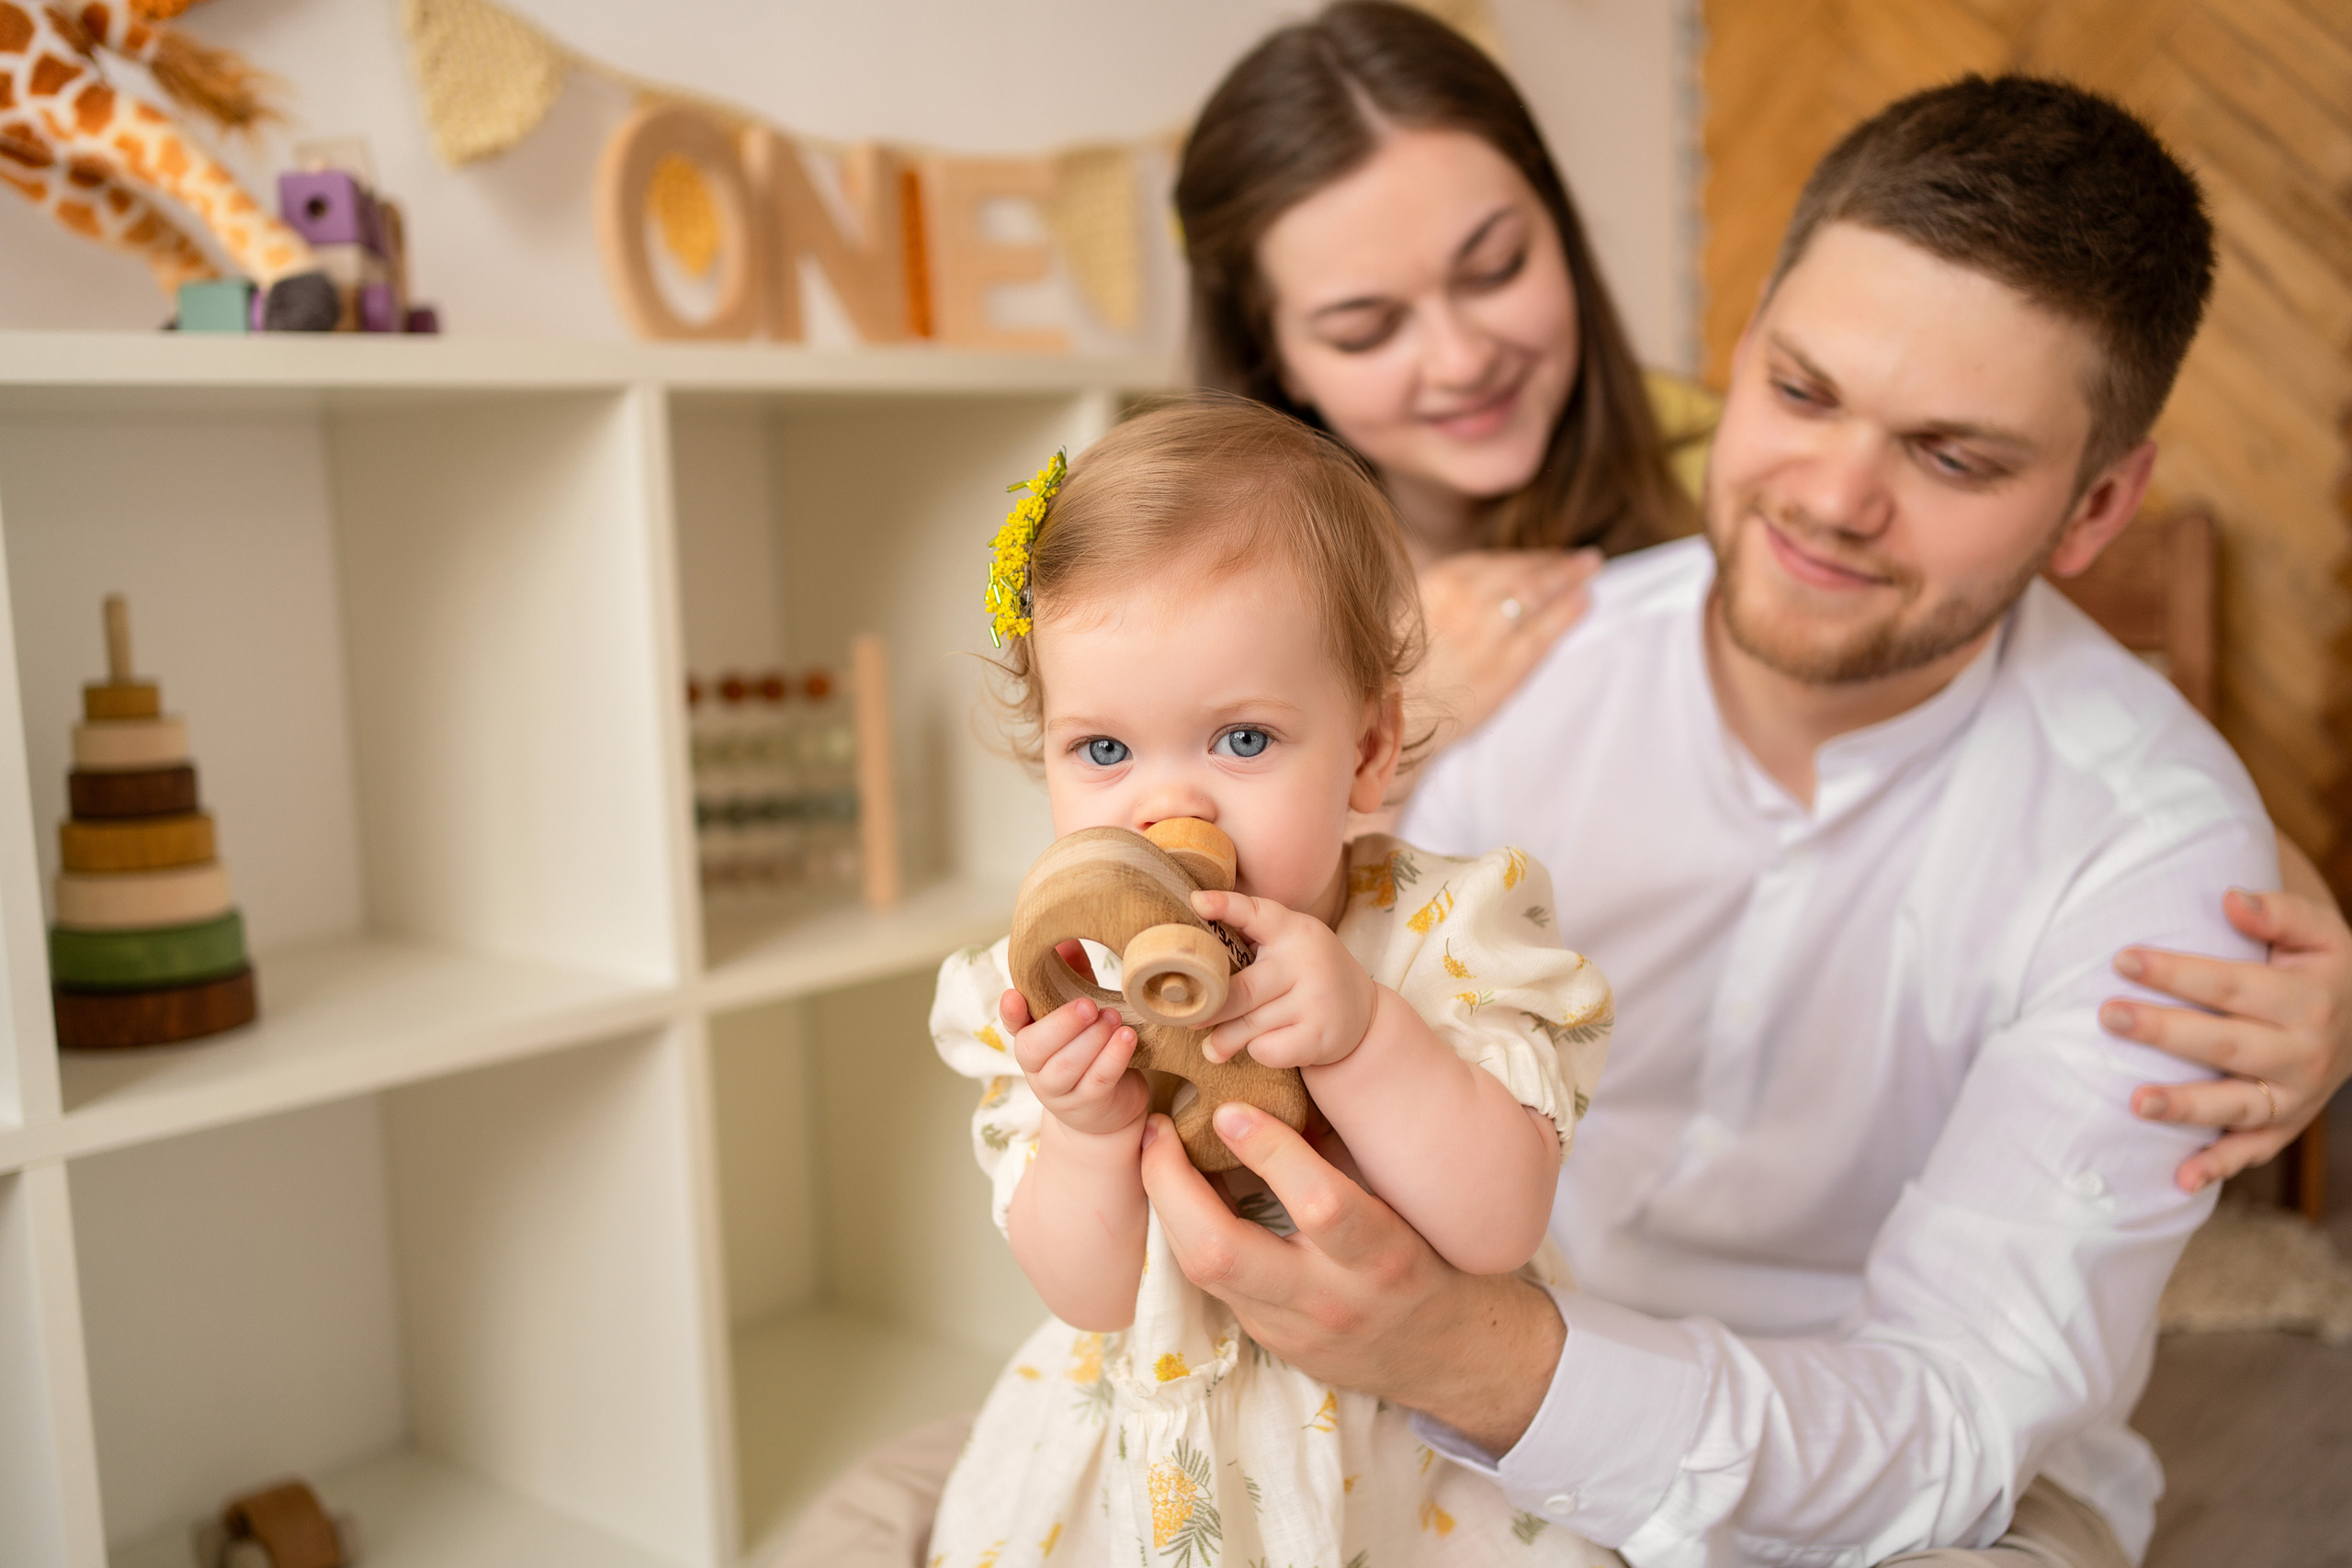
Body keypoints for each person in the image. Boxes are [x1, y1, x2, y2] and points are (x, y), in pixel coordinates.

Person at [1135, 74, 2299, 1566]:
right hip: (1463, 1411)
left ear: (2094, 510)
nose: (1832, 497)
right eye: (1802, 393)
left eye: (1952, 456)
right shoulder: (1507, 681)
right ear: (1741, 354)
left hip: (1915, 1488)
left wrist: (1480, 1356)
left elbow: (1953, 1422)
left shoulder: (2148, 854)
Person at [1173, 0, 2352, 1200]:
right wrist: (1395, 722)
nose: (1463, 355)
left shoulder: (1750, 463)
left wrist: (2307, 954)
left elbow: (2049, 715)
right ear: (1274, 353)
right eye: (1366, 326)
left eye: (1498, 267)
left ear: (1562, 230)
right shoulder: (1208, 565)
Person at [927, 399, 1617, 1565]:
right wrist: (1088, 1133)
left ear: (1365, 750)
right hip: (1162, 1447)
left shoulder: (1441, 930)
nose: (1168, 806)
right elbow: (1087, 1292)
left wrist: (1361, 1040)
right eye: (1103, 750)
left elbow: (1499, 1225)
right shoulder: (1056, 983)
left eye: (1240, 740)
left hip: (1403, 1464)